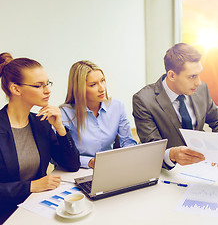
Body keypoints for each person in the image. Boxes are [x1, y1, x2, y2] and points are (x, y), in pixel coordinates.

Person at [0, 53, 80, 223]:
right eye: (39, 86)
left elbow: (71, 165)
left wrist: (59, 128)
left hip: (38, 207)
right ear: (16, 89)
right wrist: (31, 186)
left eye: (48, 84)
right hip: (7, 213)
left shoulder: (40, 123)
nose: (48, 90)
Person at [133, 43, 218, 169]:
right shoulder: (143, 100)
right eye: (192, 76)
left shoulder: (201, 89)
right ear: (171, 75)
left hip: (203, 166)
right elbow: (152, 148)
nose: (198, 82)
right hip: (167, 170)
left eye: (199, 74)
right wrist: (171, 155)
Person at [60, 60, 137, 168]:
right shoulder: (65, 113)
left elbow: (128, 142)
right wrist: (89, 162)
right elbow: (61, 156)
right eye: (93, 85)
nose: (102, 88)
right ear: (79, 89)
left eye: (102, 81)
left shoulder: (117, 106)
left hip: (110, 168)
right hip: (78, 170)